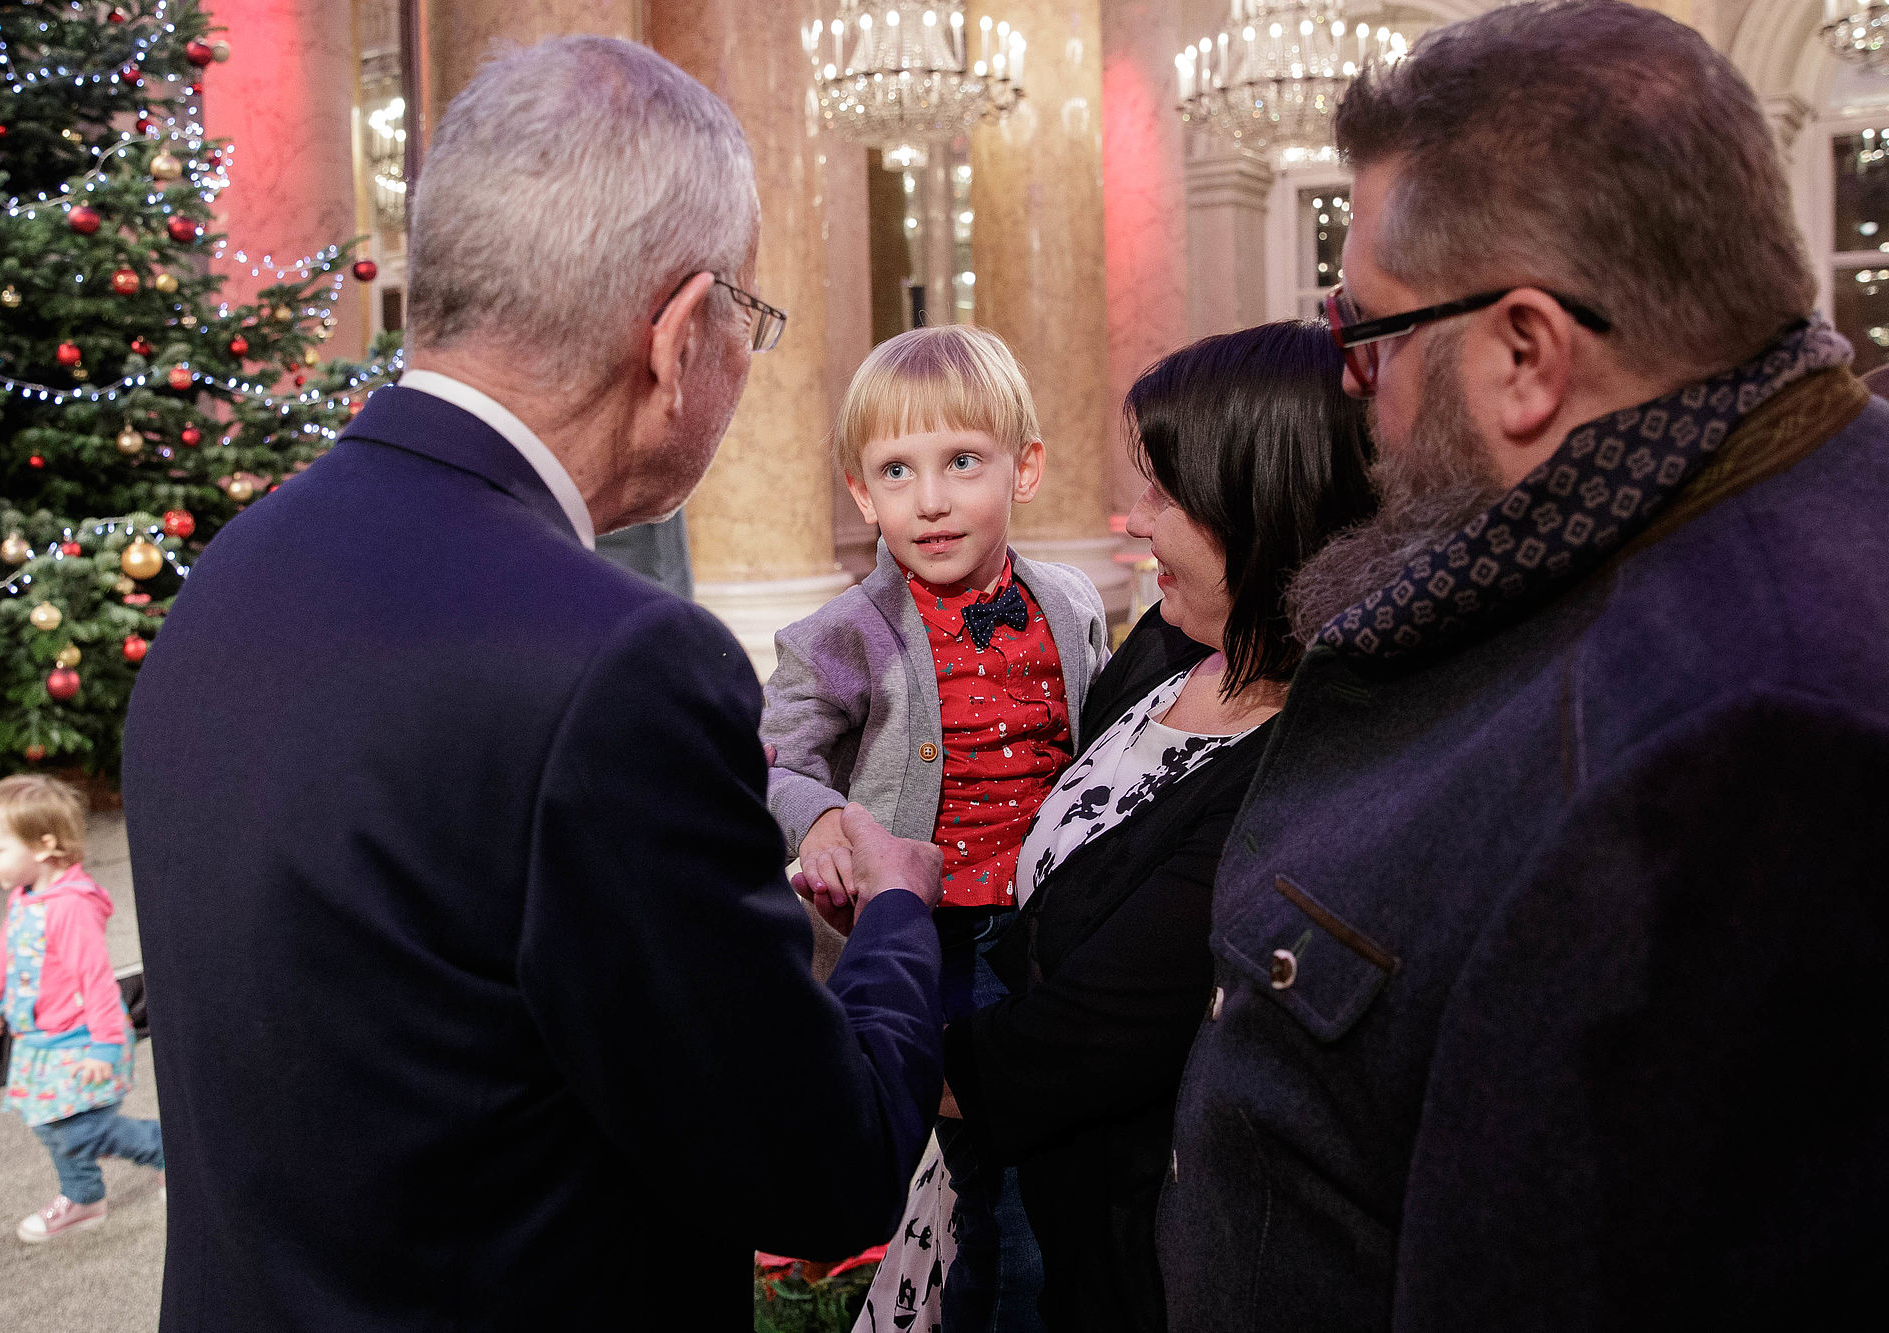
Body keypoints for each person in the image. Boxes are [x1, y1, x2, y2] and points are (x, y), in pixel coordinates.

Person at [121, 36, 947, 1332]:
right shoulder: (622, 665)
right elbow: (819, 1167)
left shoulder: (235, 565)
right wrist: (896, 915)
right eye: (748, 321)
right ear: (679, 334)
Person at [1158, 3, 1889, 1328]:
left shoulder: (1745, 755)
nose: (1349, 377)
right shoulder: (1632, 535)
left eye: (1363, 326)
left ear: (1522, 354)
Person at [938, 323, 1373, 1333]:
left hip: (1110, 1263)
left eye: (1167, 495)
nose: (1135, 520)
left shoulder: (1287, 783)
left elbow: (1052, 1055)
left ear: (1264, 511)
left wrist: (835, 1021)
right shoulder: (1171, 646)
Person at [765, 323, 1107, 1330]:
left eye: (962, 461)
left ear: (1023, 469)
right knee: (990, 1186)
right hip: (942, 941)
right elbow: (774, 760)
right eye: (896, 471)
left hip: (1052, 928)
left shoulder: (1071, 603)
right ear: (861, 493)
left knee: (1048, 1179)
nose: (930, 499)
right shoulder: (839, 634)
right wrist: (825, 821)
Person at [0, 774, 163, 1244]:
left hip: (82, 1041)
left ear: (44, 845)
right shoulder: (26, 896)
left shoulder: (72, 907)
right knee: (47, 1121)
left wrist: (104, 1045)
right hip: (41, 1041)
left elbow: (95, 978)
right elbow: (5, 951)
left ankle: (168, 1151)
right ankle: (83, 1197)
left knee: (82, 1131)